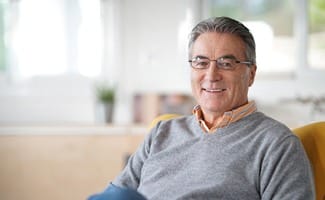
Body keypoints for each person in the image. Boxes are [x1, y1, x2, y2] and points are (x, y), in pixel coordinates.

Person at [92, 16, 315, 200]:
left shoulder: (277, 143)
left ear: (251, 74)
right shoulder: (162, 132)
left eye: (226, 64)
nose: (211, 75)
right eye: (201, 62)